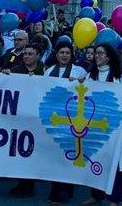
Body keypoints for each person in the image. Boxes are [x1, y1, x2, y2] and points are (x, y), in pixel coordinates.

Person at [81, 43, 122, 206]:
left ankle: (114, 199)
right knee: (96, 159)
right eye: (96, 53)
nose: (97, 56)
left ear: (109, 56)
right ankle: (96, 195)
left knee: (114, 161)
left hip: (113, 127)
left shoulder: (119, 75)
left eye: (101, 53)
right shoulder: (91, 74)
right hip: (95, 125)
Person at [45, 41, 88, 204]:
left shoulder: (79, 71)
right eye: (61, 52)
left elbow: (86, 90)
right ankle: (55, 189)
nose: (64, 55)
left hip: (72, 119)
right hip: (54, 118)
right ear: (56, 55)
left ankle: (66, 191)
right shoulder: (49, 72)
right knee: (54, 156)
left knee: (67, 156)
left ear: (71, 55)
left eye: (67, 53)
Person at [5, 44, 44, 198]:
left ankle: (29, 186)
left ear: (38, 56)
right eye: (25, 54)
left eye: (30, 54)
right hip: (18, 118)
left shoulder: (45, 72)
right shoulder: (15, 71)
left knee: (32, 151)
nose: (26, 56)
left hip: (35, 118)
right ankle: (22, 183)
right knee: (19, 151)